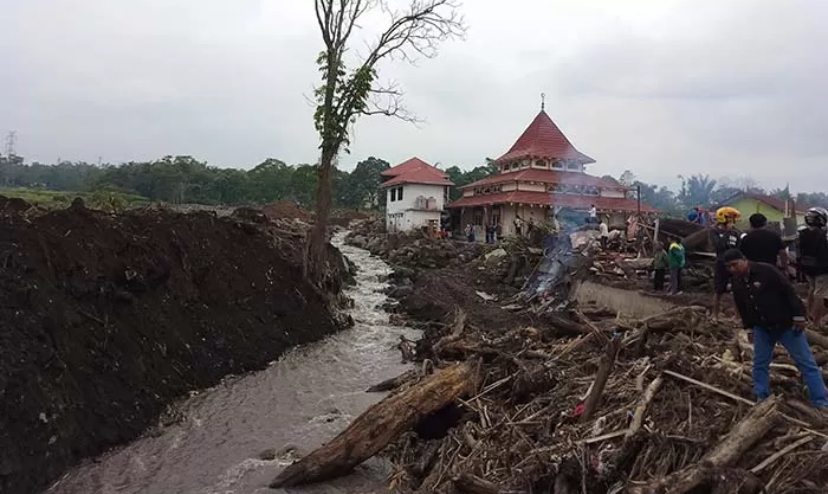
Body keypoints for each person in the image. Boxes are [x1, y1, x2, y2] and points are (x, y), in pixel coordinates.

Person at [723, 249, 828, 411]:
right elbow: (743, 307)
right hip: (762, 328)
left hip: (785, 324)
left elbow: (789, 291)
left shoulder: (766, 271)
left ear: (744, 260)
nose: (733, 269)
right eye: (729, 267)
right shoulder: (737, 282)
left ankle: (820, 400)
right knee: (759, 363)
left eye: (735, 265)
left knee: (806, 363)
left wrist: (799, 316)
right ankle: (761, 396)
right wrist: (749, 328)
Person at [797, 207, 828, 325]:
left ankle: (809, 314)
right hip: (822, 268)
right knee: (820, 293)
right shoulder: (824, 234)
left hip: (807, 266)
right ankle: (815, 320)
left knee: (812, 289)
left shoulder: (802, 233)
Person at [711, 207, 742, 321]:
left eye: (733, 218)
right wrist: (727, 232)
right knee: (718, 290)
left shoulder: (736, 233)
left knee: (737, 290)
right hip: (721, 264)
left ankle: (737, 315)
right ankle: (715, 315)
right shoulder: (714, 231)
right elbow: (718, 246)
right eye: (730, 218)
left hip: (734, 264)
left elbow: (739, 248)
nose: (732, 221)